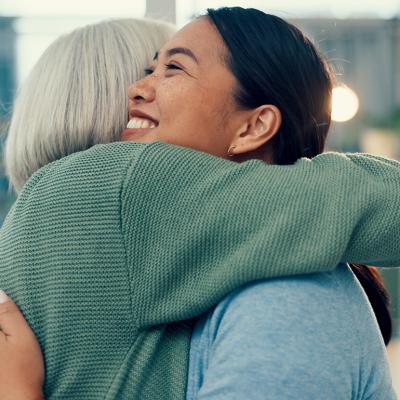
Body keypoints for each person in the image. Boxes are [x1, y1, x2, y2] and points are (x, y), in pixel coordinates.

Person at [0, 8, 399, 400]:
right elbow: (377, 201)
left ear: (254, 125)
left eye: (172, 69)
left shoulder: (282, 284)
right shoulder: (114, 188)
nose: (136, 89)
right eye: (147, 69)